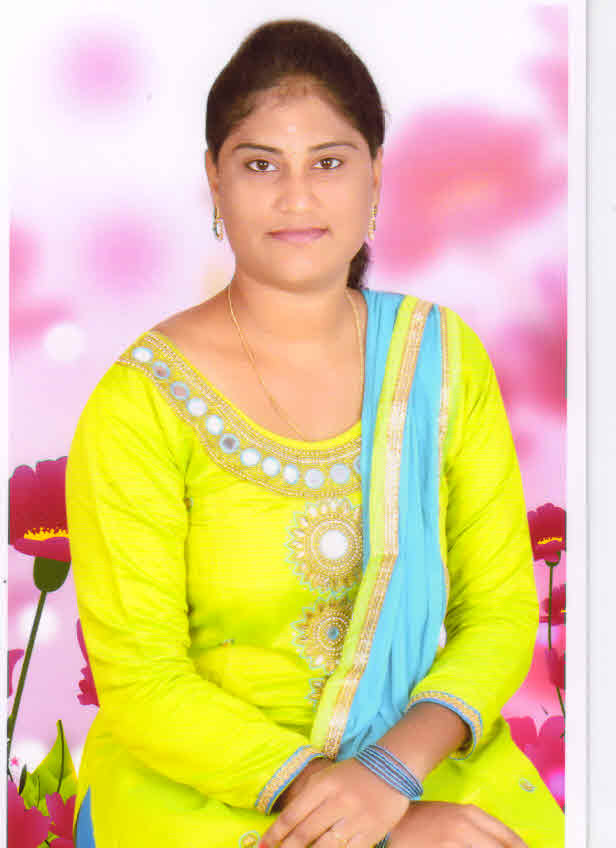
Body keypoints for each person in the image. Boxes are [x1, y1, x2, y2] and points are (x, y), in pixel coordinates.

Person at [66, 18, 565, 848]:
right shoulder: (142, 403)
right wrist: (357, 812)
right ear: (214, 179)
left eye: (328, 162)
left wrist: (389, 777)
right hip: (206, 781)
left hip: (416, 754)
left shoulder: (440, 360)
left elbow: (501, 611)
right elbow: (143, 680)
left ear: (376, 177)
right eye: (260, 164)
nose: (296, 197)